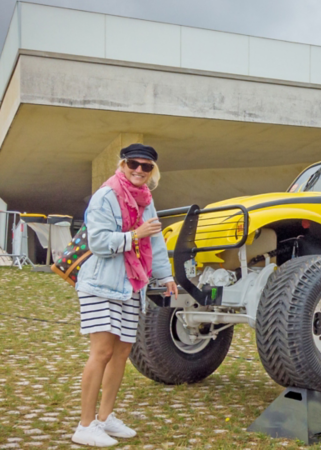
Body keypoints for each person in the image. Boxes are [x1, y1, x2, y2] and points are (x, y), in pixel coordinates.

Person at [72, 143, 178, 447]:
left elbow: (155, 242)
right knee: (102, 352)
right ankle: (85, 425)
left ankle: (105, 418)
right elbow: (98, 242)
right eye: (133, 164)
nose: (139, 170)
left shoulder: (146, 200)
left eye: (146, 166)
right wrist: (134, 235)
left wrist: (166, 276)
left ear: (153, 171)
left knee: (121, 353)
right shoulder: (106, 195)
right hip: (101, 284)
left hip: (131, 285)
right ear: (123, 165)